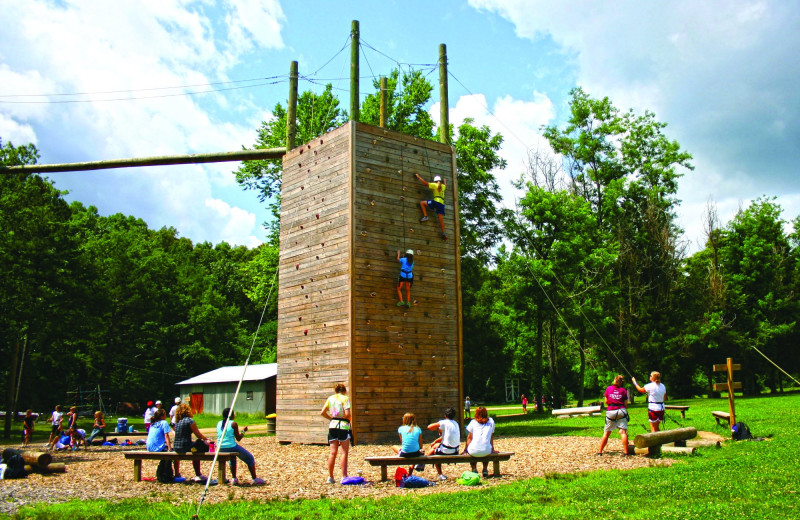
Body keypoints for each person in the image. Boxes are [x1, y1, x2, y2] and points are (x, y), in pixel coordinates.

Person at [217, 408, 264, 485]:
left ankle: (234, 478)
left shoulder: (219, 423)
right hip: (231, 446)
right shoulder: (233, 424)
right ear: (231, 415)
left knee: (232, 458)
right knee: (250, 458)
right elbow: (238, 438)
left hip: (220, 447)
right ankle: (254, 478)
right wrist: (243, 431)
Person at [320, 383, 352, 484]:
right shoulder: (345, 399)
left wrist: (331, 418)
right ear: (344, 390)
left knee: (333, 452)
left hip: (333, 425)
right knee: (344, 452)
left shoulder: (330, 398)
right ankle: (344, 476)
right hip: (343, 426)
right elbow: (347, 414)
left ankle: (330, 476)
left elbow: (322, 412)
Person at [172, 403, 212, 482]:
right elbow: (198, 435)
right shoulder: (189, 421)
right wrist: (207, 439)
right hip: (185, 446)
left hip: (176, 446)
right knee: (196, 449)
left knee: (194, 446)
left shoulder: (177, 422)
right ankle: (198, 474)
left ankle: (177, 473)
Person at [597, 374, 630, 456]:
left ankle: (600, 451)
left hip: (611, 411)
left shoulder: (608, 388)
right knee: (623, 432)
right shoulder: (623, 390)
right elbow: (626, 404)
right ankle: (626, 452)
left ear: (614, 380)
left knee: (606, 433)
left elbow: (606, 401)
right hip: (621, 411)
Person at [424, 407, 461, 480]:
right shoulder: (456, 423)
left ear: (445, 415)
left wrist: (438, 428)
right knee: (437, 446)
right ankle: (423, 462)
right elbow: (447, 437)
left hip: (447, 451)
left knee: (434, 450)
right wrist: (435, 441)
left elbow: (429, 427)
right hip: (456, 450)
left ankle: (423, 463)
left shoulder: (444, 422)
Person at [463, 406, 496, 477]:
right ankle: (485, 469)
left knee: (472, 449)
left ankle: (474, 468)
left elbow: (469, 438)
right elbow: (490, 437)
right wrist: (492, 448)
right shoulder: (491, 421)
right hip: (486, 450)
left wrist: (465, 449)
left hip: (473, 451)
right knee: (486, 447)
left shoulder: (473, 422)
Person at [415, 173, 448, 240]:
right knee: (441, 219)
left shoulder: (435, 185)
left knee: (422, 203)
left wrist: (418, 177)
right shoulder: (443, 186)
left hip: (436, 202)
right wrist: (445, 180)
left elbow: (425, 183)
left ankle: (425, 216)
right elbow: (445, 185)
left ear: (435, 181)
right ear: (440, 181)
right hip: (441, 204)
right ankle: (443, 233)